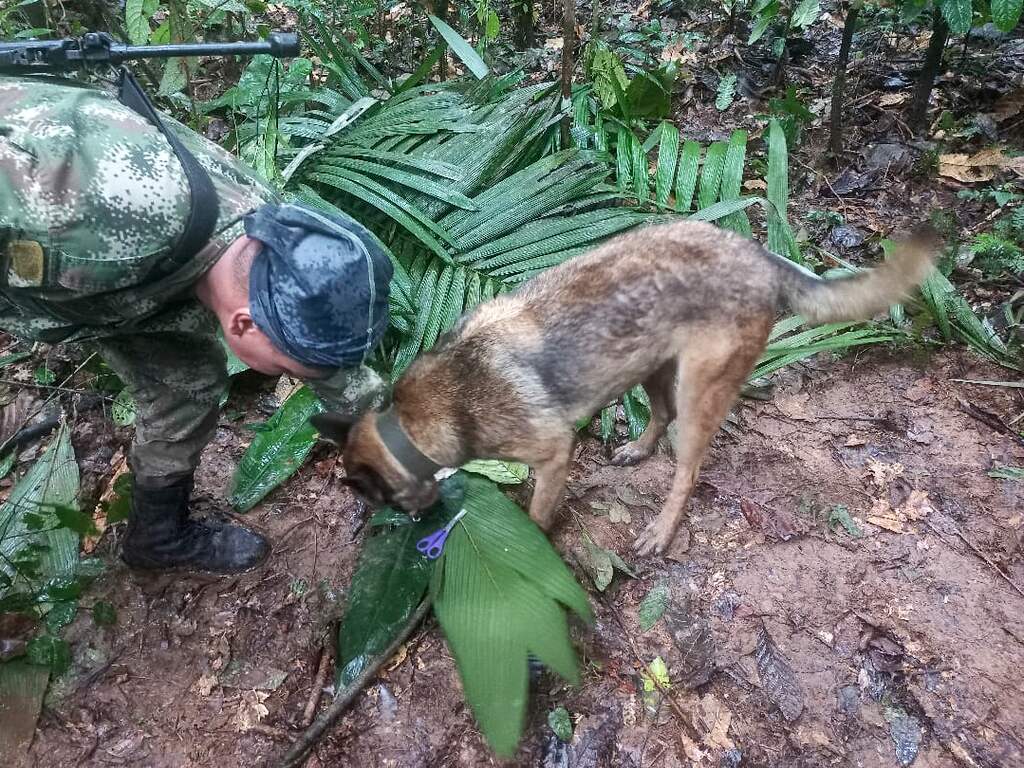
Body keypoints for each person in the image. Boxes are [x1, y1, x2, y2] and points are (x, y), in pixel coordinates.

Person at [0, 73, 393, 575]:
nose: (298, 375)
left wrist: (396, 448)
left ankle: (156, 537)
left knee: (186, 384)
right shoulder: (76, 215)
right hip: (55, 226)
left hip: (128, 284)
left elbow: (326, 360)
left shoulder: (272, 240)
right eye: (288, 369)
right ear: (245, 325)